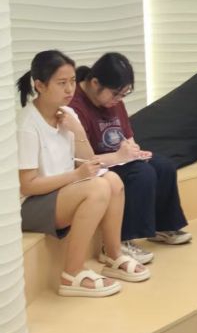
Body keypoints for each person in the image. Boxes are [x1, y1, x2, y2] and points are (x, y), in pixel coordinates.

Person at [16, 50, 149, 298]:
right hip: (31, 205)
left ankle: (113, 255)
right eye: (61, 83)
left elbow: (90, 161)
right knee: (97, 187)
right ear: (40, 86)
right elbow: (28, 186)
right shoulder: (27, 125)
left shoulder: (68, 114)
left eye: (72, 81)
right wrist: (76, 176)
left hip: (61, 193)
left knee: (113, 180)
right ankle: (72, 273)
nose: (70, 89)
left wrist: (77, 130)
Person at [70, 53, 191, 265]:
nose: (118, 100)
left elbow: (127, 137)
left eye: (123, 95)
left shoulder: (114, 101)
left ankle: (162, 227)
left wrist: (134, 151)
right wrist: (119, 156)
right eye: (116, 94)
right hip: (93, 167)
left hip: (119, 159)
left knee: (163, 166)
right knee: (141, 174)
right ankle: (119, 241)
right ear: (95, 83)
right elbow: (81, 161)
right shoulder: (75, 106)